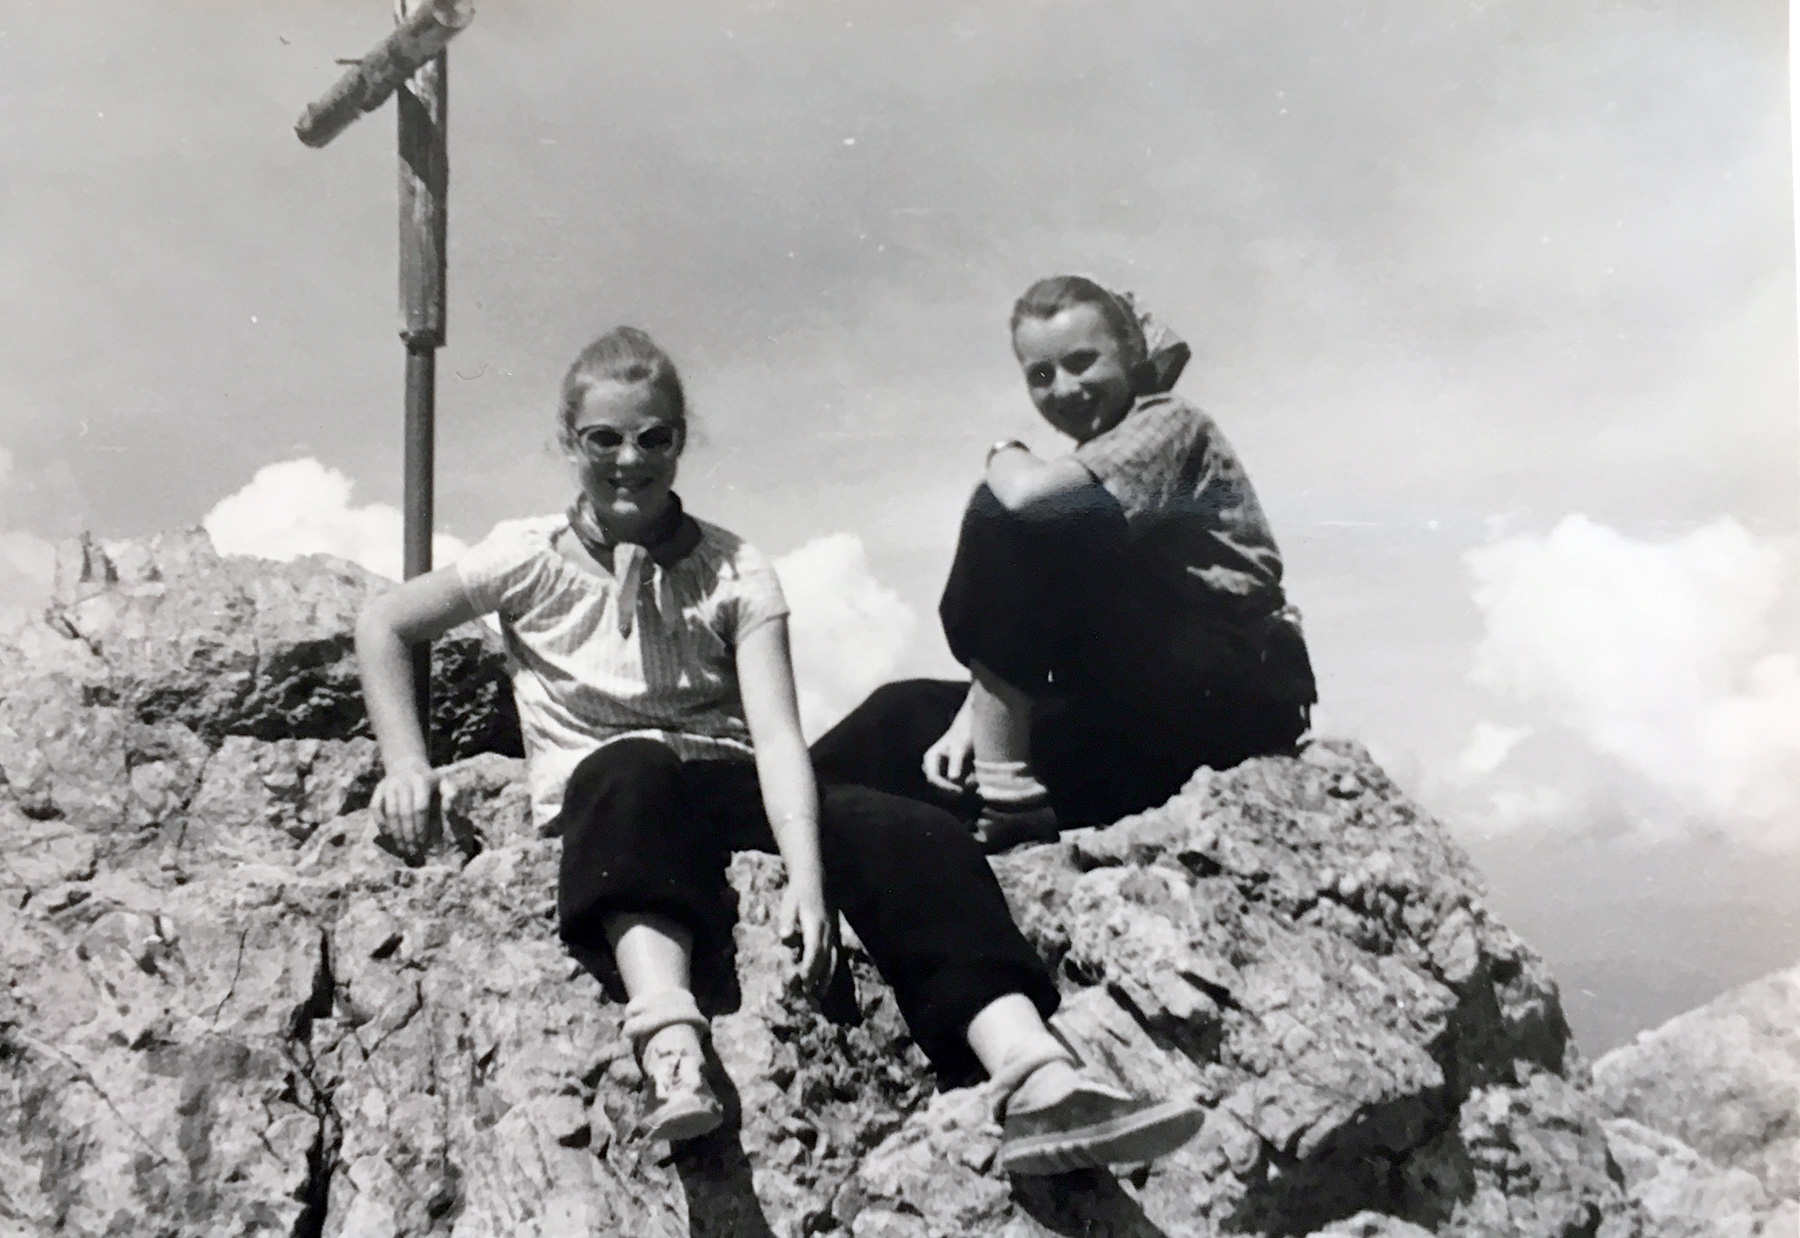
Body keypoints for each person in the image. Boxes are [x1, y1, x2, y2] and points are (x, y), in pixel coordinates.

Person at [354, 325, 1204, 1175]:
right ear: (568, 442)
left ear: (681, 442)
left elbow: (776, 736)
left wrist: (804, 874)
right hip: (612, 789)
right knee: (629, 766)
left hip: (730, 782)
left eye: (653, 438)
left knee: (904, 828)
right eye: (602, 439)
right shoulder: (525, 556)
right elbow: (385, 623)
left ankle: (1034, 1072)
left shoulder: (735, 568)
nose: (629, 460)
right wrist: (405, 759)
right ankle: (670, 1048)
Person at [814, 276, 1316, 849]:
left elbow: (1023, 502)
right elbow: (1028, 612)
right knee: (899, 716)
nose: (1065, 388)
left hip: (1226, 692)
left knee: (1004, 507)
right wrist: (972, 722)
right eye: (1042, 375)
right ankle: (753, 811)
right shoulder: (1092, 467)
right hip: (1135, 711)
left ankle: (1006, 793)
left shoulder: (1169, 421)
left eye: (1083, 362)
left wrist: (1005, 453)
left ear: (1129, 352)